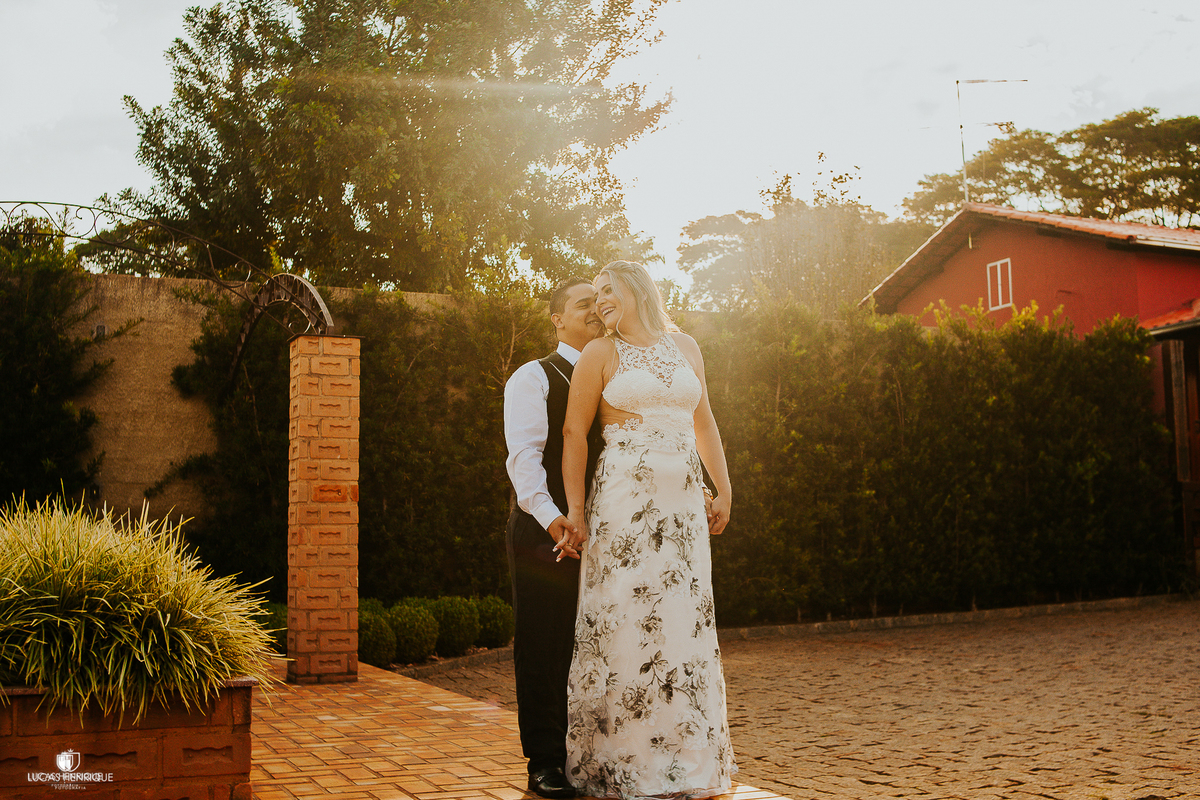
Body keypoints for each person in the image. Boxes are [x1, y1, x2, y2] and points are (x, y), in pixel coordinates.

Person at [560, 261, 736, 799]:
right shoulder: (600, 354)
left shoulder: (687, 348)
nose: (601, 302)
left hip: (682, 511)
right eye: (594, 295)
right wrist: (576, 510)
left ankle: (688, 760)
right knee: (630, 623)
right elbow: (574, 432)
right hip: (624, 509)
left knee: (683, 624)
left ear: (638, 289)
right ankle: (631, 763)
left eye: (609, 291)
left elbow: (704, 423)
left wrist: (724, 490)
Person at [504, 277, 605, 799]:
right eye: (581, 304)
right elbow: (523, 461)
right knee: (545, 643)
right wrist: (554, 520)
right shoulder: (534, 377)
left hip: (608, 533)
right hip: (546, 532)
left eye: (598, 302)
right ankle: (544, 760)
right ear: (556, 318)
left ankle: (594, 753)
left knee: (597, 643)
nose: (593, 310)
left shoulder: (617, 374)